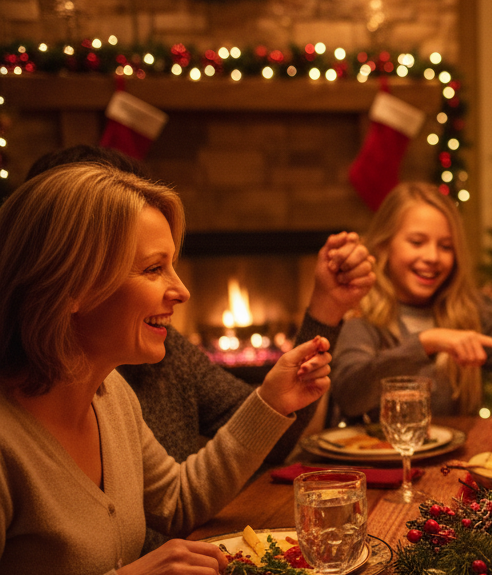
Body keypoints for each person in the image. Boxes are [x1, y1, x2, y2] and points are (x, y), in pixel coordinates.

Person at [0, 163, 333, 575]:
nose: (180, 290)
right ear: (70, 286)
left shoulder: (112, 397)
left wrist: (270, 400)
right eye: (154, 269)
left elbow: (178, 500)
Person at [25, 145, 376, 466]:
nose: (182, 291)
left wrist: (326, 309)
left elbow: (261, 441)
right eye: (152, 268)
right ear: (70, 273)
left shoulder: (157, 361)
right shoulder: (23, 423)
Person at [332, 182, 492, 419]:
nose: (433, 257)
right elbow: (349, 395)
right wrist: (427, 343)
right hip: (373, 453)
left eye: (445, 246)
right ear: (384, 245)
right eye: (417, 242)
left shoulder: (473, 310)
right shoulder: (360, 314)